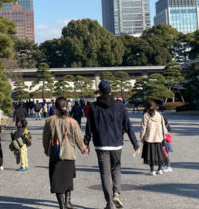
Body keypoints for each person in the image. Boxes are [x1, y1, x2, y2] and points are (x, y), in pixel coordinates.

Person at [84, 80, 139, 209]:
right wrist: (135, 144)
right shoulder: (120, 106)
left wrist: (86, 142)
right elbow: (128, 126)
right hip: (116, 144)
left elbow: (89, 127)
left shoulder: (94, 107)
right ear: (110, 90)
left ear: (100, 91)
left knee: (105, 173)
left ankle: (109, 203)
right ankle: (116, 192)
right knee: (117, 168)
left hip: (101, 144)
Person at [43, 96, 88, 209]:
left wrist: (46, 149)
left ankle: (62, 205)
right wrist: (83, 149)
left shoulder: (50, 120)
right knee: (68, 179)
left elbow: (45, 137)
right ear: (67, 107)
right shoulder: (72, 122)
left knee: (57, 181)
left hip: (55, 154)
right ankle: (68, 202)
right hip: (69, 154)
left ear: (56, 108)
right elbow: (78, 138)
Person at [139, 99, 167, 176]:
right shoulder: (159, 115)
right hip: (159, 138)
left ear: (147, 107)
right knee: (159, 154)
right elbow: (163, 126)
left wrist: (141, 136)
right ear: (155, 106)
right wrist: (164, 136)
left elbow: (143, 127)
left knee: (150, 155)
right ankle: (159, 169)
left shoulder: (146, 115)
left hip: (149, 138)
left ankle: (152, 170)